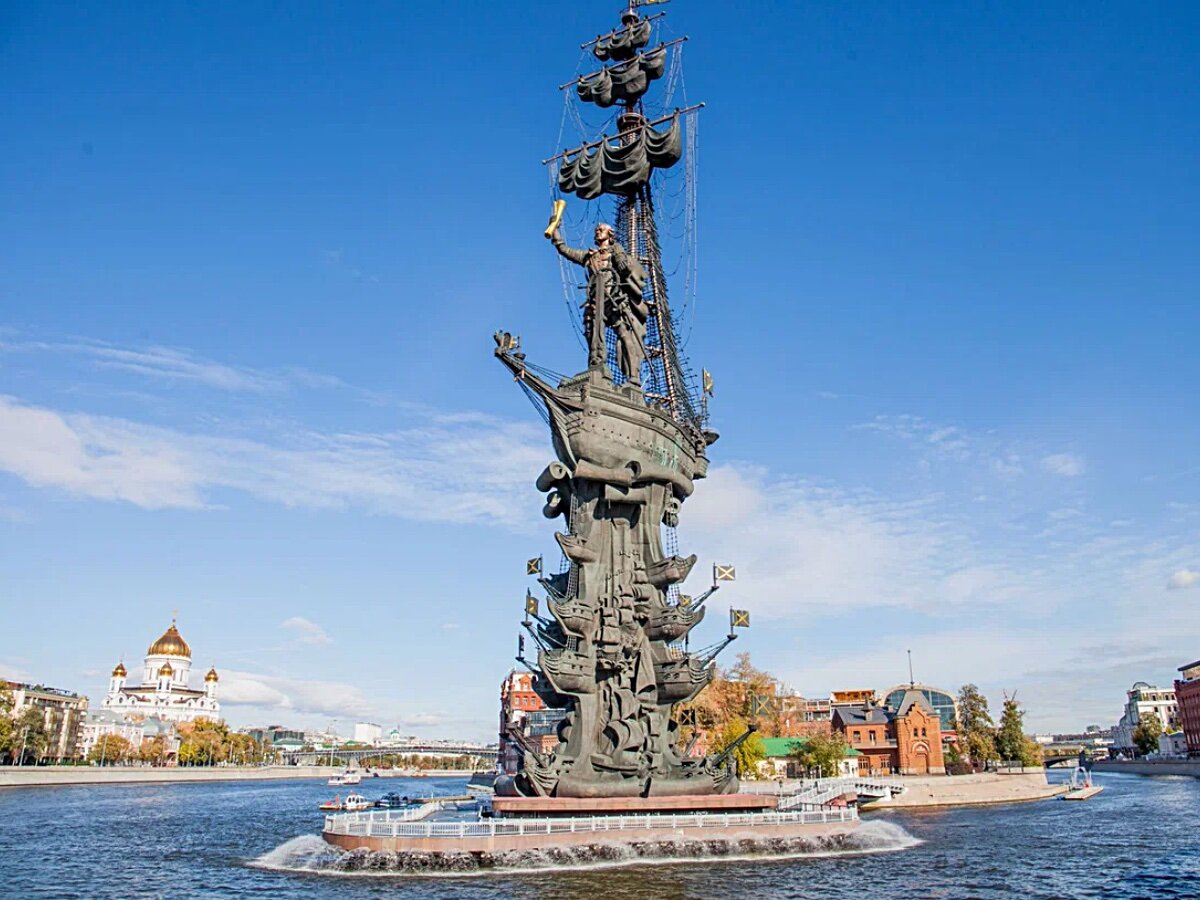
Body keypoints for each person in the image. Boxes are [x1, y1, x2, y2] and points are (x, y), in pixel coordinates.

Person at [548, 222, 648, 386]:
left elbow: (626, 270)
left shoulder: (615, 254)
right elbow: (565, 250)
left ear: (610, 234)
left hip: (613, 300)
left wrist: (618, 254)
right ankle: (597, 363)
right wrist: (555, 231)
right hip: (595, 301)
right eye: (596, 230)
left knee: (624, 334)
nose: (597, 232)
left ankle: (634, 376)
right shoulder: (590, 257)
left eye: (601, 230)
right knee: (591, 332)